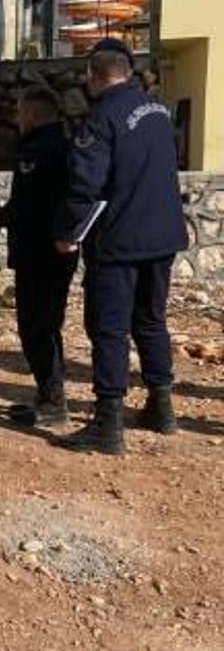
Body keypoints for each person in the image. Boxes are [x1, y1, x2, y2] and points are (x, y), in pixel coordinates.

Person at [53, 39, 188, 455]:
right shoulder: (158, 112)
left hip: (120, 240)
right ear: (127, 72)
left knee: (109, 327)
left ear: (94, 74)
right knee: (151, 320)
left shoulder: (100, 118)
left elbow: (85, 185)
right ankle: (161, 407)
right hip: (163, 236)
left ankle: (107, 422)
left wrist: (68, 233)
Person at [0, 86, 77, 427]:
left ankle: (53, 400)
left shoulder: (36, 152)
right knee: (47, 324)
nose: (18, 120)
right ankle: (48, 394)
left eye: (21, 114)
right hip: (56, 251)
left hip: (39, 253)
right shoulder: (65, 146)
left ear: (34, 116)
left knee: (36, 327)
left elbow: (30, 205)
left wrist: (0, 216)